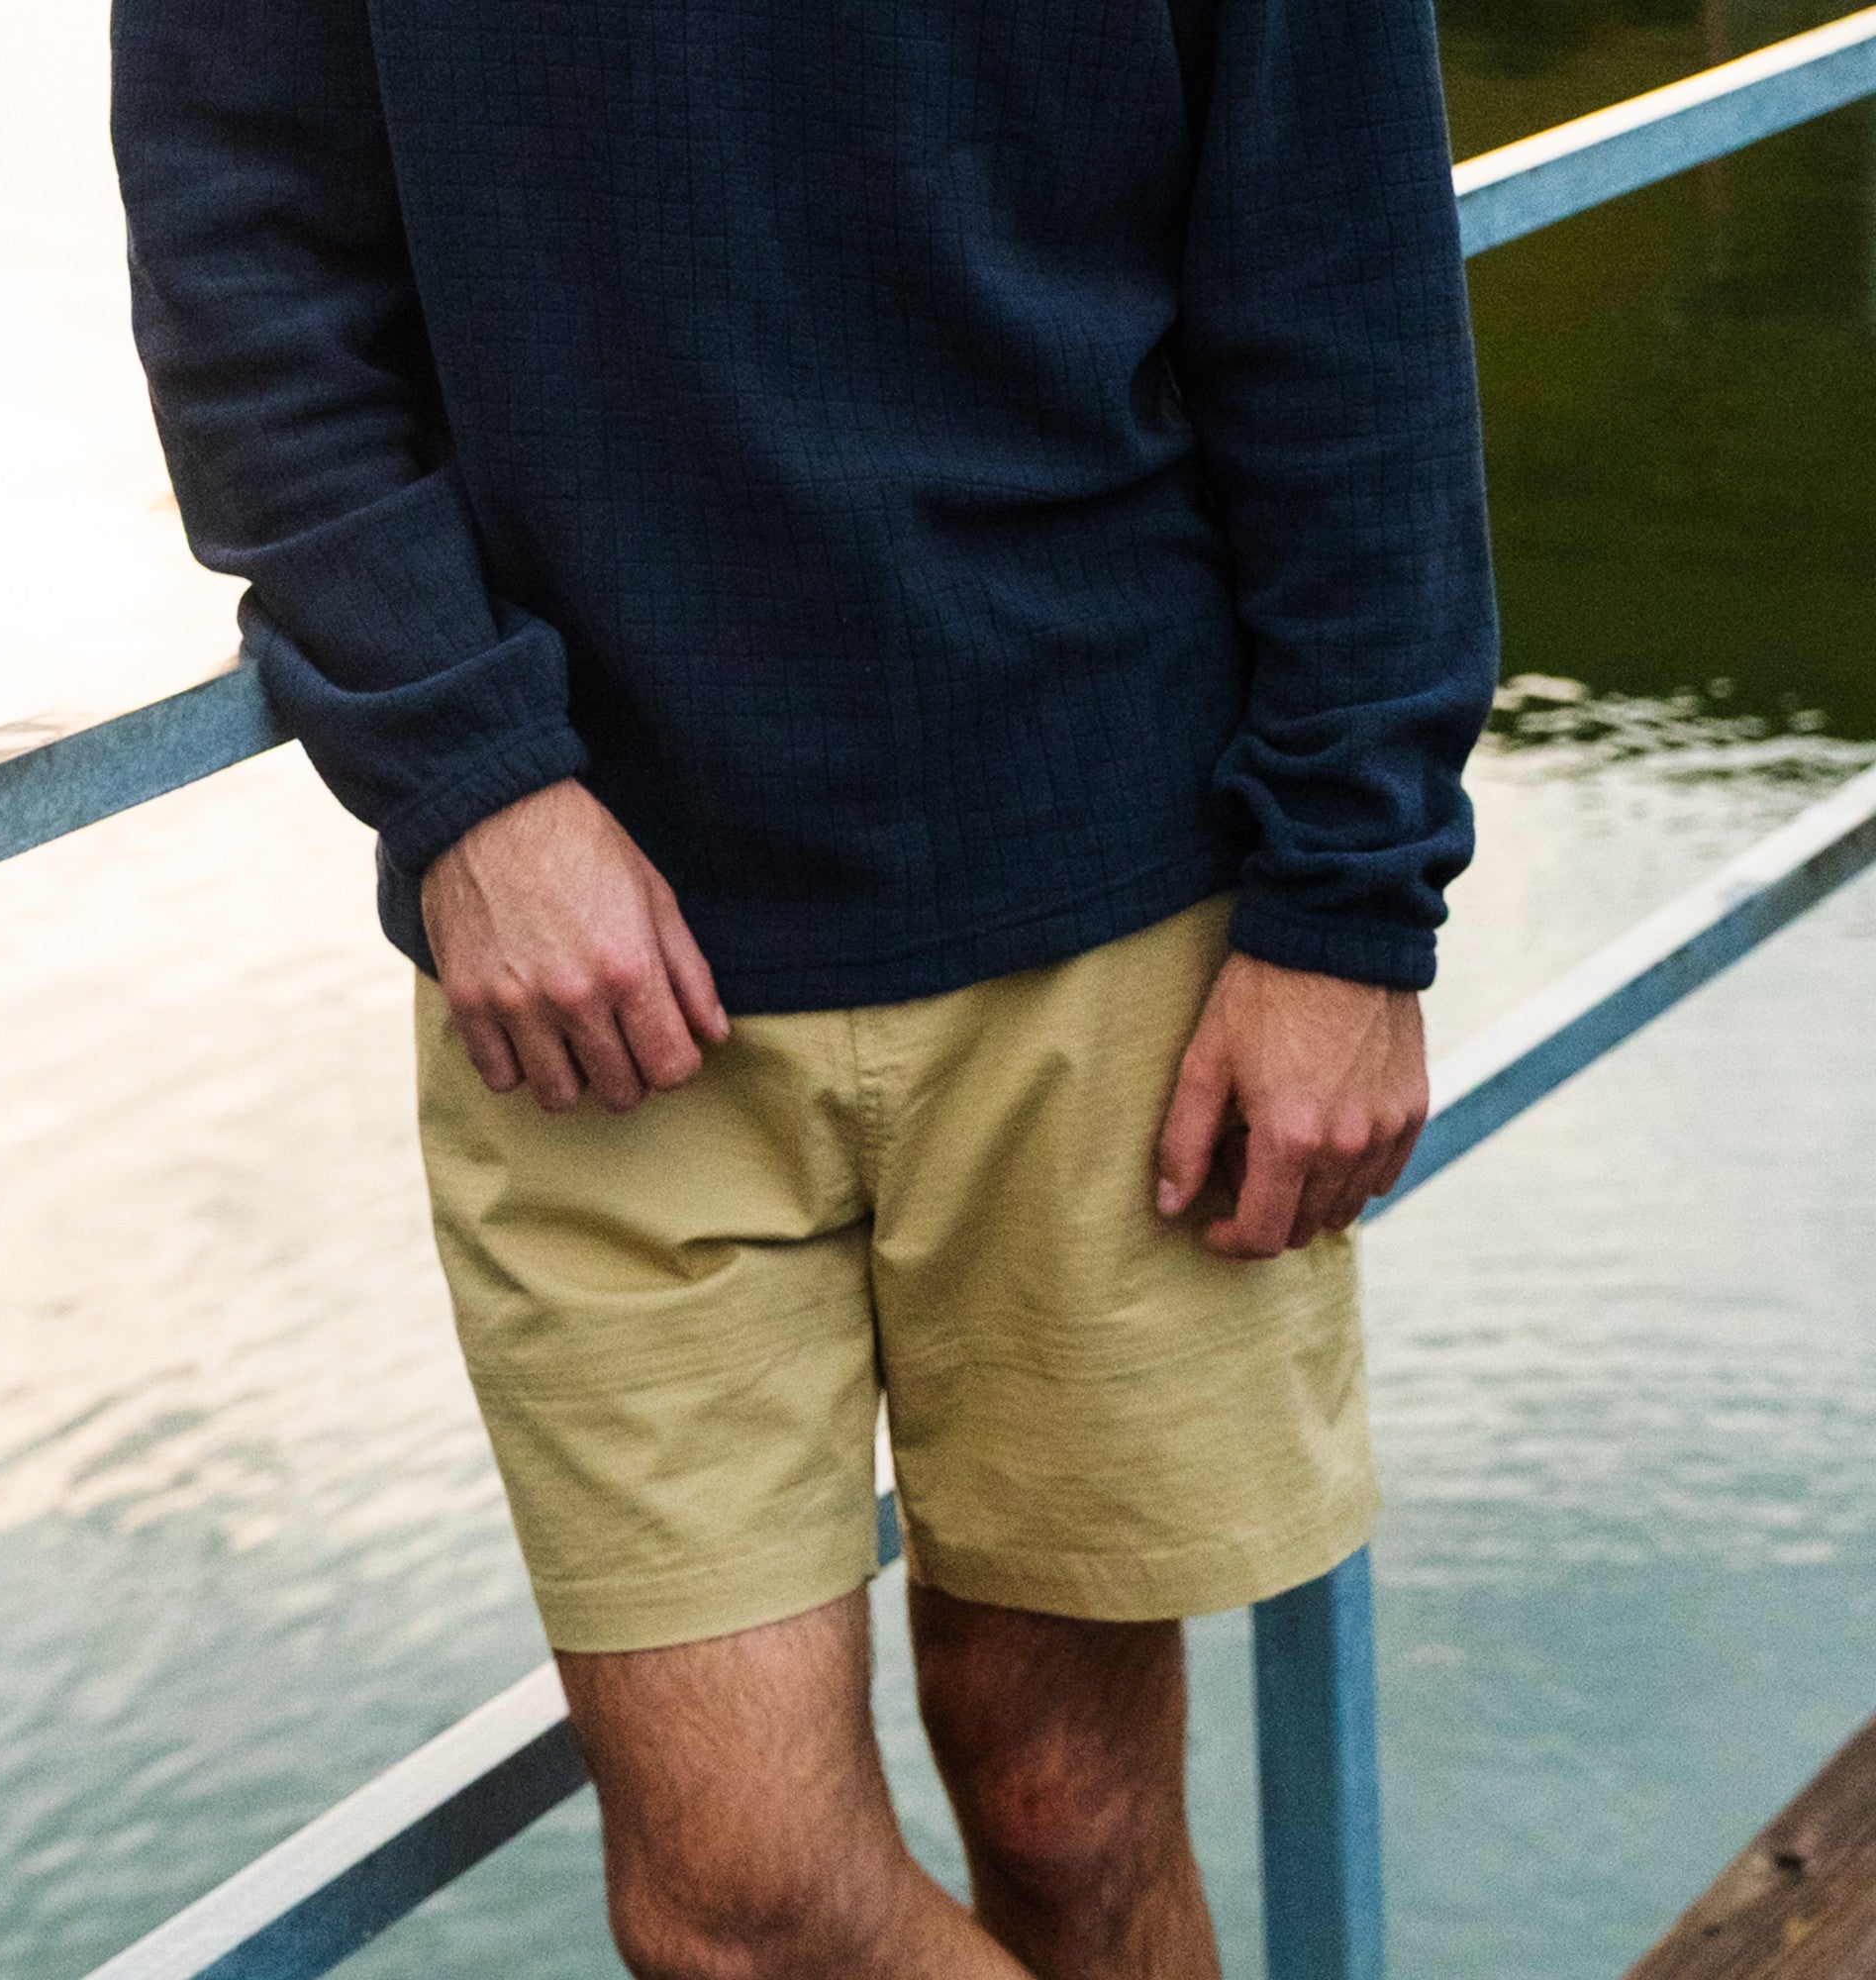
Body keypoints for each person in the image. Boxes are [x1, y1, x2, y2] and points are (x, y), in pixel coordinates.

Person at [112, 0, 1496, 1968]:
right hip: (590, 976)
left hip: (1117, 902)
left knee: (1072, 1812)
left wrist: (1350, 904)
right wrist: (471, 779)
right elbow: (247, 284)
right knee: (742, 1903)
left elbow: (1339, 283)